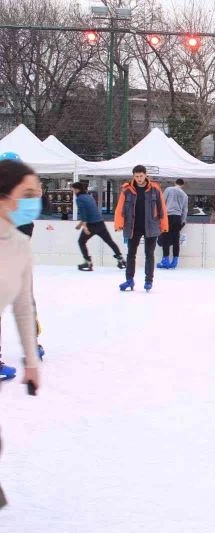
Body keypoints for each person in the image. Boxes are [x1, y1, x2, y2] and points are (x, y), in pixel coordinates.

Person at [0, 159, 42, 506]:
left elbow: (23, 306)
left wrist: (31, 361)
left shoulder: (18, 243)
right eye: (27, 193)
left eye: (37, 192)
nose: (35, 200)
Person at [114, 165, 168, 292]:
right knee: (130, 254)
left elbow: (162, 209)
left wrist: (164, 225)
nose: (139, 179)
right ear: (133, 176)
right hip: (133, 227)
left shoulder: (155, 188)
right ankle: (129, 280)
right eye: (136, 176)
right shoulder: (127, 190)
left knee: (149, 254)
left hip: (151, 226)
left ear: (145, 175)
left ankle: (148, 281)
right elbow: (120, 208)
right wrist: (118, 224)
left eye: (141, 176)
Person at [71, 182, 126, 272]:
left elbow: (84, 213)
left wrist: (85, 227)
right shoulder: (89, 197)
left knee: (81, 242)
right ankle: (121, 259)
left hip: (91, 225)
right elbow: (91, 211)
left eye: (73, 189)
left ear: (77, 189)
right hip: (100, 223)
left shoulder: (79, 199)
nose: (72, 191)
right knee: (110, 241)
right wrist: (80, 224)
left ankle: (88, 262)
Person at [158, 178, 189, 269]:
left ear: (175, 183)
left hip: (167, 216)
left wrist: (160, 216)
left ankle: (165, 260)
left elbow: (162, 202)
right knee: (176, 240)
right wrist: (182, 220)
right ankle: (175, 261)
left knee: (165, 238)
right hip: (177, 217)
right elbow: (185, 210)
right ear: (182, 185)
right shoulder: (184, 195)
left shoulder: (169, 189)